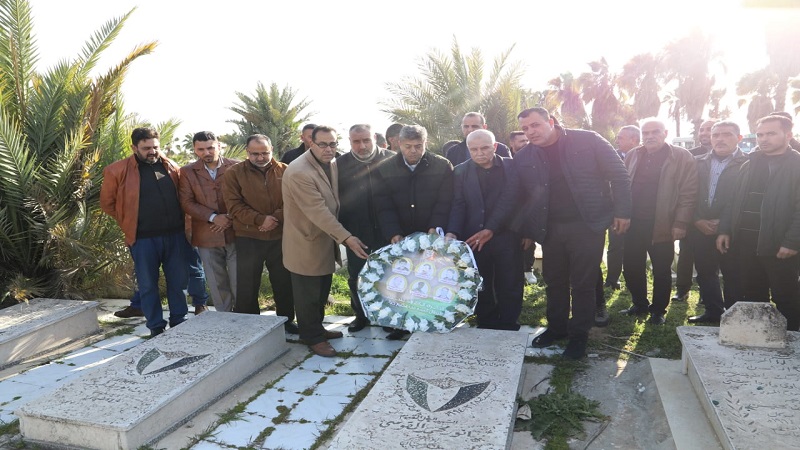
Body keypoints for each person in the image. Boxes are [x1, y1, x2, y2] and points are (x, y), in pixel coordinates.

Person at [515, 108, 631, 359]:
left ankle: (579, 335)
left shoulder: (588, 140)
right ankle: (557, 328)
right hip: (550, 229)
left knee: (583, 283)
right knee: (554, 281)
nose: (530, 132)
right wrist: (527, 229)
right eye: (525, 128)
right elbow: (523, 196)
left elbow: (619, 175)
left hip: (587, 225)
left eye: (535, 125)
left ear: (551, 121)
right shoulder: (524, 156)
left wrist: (622, 212)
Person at [282, 125, 370, 356]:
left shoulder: (329, 162)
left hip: (323, 240)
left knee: (321, 290)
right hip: (305, 241)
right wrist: (347, 238)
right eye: (322, 144)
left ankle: (317, 328)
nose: (328, 149)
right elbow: (318, 211)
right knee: (308, 294)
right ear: (310, 143)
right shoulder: (299, 171)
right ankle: (311, 337)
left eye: (333, 144)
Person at [100, 127, 188, 336]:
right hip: (142, 239)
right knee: (148, 285)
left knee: (178, 283)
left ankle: (179, 321)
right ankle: (156, 326)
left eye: (155, 147)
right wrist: (129, 222)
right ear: (134, 147)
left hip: (176, 236)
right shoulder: (116, 170)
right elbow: (107, 204)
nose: (152, 151)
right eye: (146, 148)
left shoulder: (171, 166)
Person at [717, 114, 800, 331]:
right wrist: (725, 229)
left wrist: (792, 242)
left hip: (780, 246)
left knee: (786, 297)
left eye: (771, 134)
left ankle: (792, 341)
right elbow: (734, 201)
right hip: (746, 243)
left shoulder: (796, 165)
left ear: (788, 135)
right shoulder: (749, 164)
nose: (764, 139)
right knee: (753, 295)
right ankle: (759, 339)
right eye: (760, 134)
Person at [375, 124, 454, 339]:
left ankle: (429, 319)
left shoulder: (442, 165)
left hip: (431, 233)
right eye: (408, 146)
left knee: (429, 278)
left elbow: (445, 200)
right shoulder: (385, 168)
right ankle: (400, 323)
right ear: (398, 143)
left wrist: (434, 227)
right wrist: (393, 232)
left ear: (425, 143)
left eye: (418, 146)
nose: (413, 151)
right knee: (400, 279)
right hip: (400, 234)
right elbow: (383, 204)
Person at [621, 118, 697, 325]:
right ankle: (639, 304)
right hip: (633, 224)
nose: (650, 136)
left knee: (661, 270)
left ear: (665, 133)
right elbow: (622, 185)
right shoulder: (633, 154)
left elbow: (688, 193)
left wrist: (681, 223)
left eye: (655, 132)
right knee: (631, 267)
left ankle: (658, 310)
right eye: (646, 133)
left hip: (662, 224)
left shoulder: (681, 156)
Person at [446, 129, 522, 330]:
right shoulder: (460, 171)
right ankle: (486, 321)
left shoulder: (511, 166)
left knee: (510, 280)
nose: (479, 153)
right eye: (474, 149)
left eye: (485, 148)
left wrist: (491, 229)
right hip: (474, 237)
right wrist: (453, 231)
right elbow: (458, 203)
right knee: (481, 281)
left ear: (495, 147)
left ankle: (508, 321)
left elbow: (511, 200)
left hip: (507, 234)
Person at [222, 135, 296, 332]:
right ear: (247, 152)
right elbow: (233, 205)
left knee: (283, 281)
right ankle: (249, 325)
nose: (261, 157)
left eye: (265, 153)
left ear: (272, 150)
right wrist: (259, 220)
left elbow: (293, 200)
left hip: (280, 235)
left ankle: (286, 321)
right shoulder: (234, 173)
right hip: (249, 236)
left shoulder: (286, 170)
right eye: (255, 154)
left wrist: (274, 219)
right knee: (247, 283)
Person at [687, 121, 746, 324]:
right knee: (705, 271)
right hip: (701, 227)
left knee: (733, 273)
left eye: (727, 134)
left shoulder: (747, 164)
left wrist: (724, 226)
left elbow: (742, 200)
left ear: (739, 138)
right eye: (716, 135)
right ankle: (713, 311)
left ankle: (733, 315)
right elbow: (687, 193)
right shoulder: (696, 162)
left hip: (731, 230)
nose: (720, 139)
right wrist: (696, 220)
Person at [337, 124, 393, 332]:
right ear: (349, 142)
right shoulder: (339, 165)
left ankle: (389, 316)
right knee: (357, 275)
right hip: (356, 231)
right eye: (356, 142)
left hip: (389, 230)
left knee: (390, 275)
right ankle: (361, 315)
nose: (362, 146)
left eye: (366, 140)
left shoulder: (392, 159)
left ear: (375, 139)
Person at [179, 131, 239, 312]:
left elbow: (246, 195)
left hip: (236, 231)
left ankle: (244, 316)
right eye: (201, 149)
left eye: (210, 148)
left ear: (219, 146)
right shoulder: (187, 172)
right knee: (215, 281)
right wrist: (213, 217)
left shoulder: (237, 166)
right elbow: (186, 202)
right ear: (195, 150)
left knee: (240, 279)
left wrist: (229, 217)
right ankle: (224, 317)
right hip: (206, 234)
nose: (207, 152)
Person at [603, 125, 641, 291]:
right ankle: (612, 279)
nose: (616, 140)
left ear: (633, 140)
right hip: (617, 210)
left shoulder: (646, 156)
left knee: (636, 247)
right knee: (615, 245)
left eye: (620, 138)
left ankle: (633, 280)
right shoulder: (612, 157)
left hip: (640, 211)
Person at [445, 112, 511, 166]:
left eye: (474, 126)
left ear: (484, 127)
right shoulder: (453, 152)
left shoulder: (501, 149)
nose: (470, 130)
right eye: (466, 126)